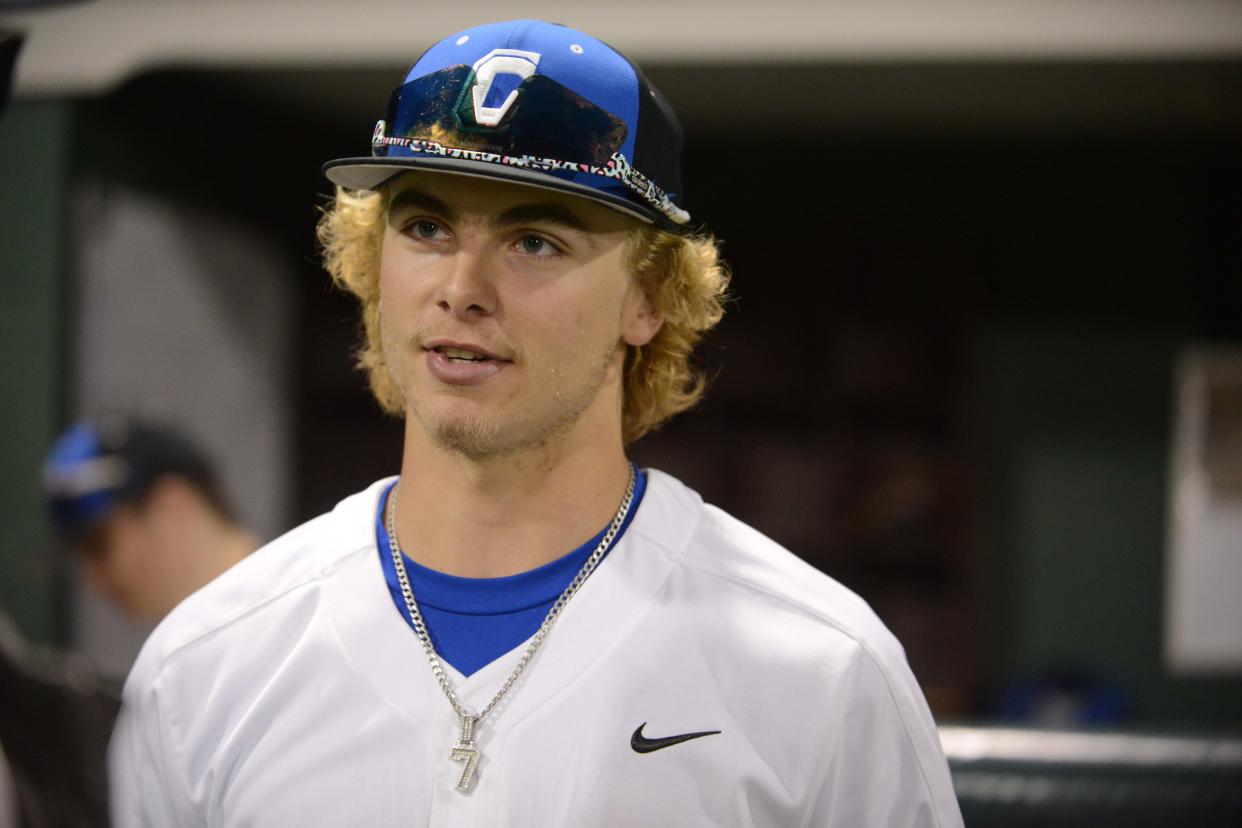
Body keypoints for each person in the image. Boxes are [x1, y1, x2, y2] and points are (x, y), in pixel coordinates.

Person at [109, 19, 963, 826]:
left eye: (535, 241)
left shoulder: (821, 666)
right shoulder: (208, 665)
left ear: (649, 299)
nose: (463, 287)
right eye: (427, 227)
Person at [42, 415, 258, 626]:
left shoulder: (273, 622)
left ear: (171, 508)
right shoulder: (206, 634)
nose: (94, 581)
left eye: (98, 546)